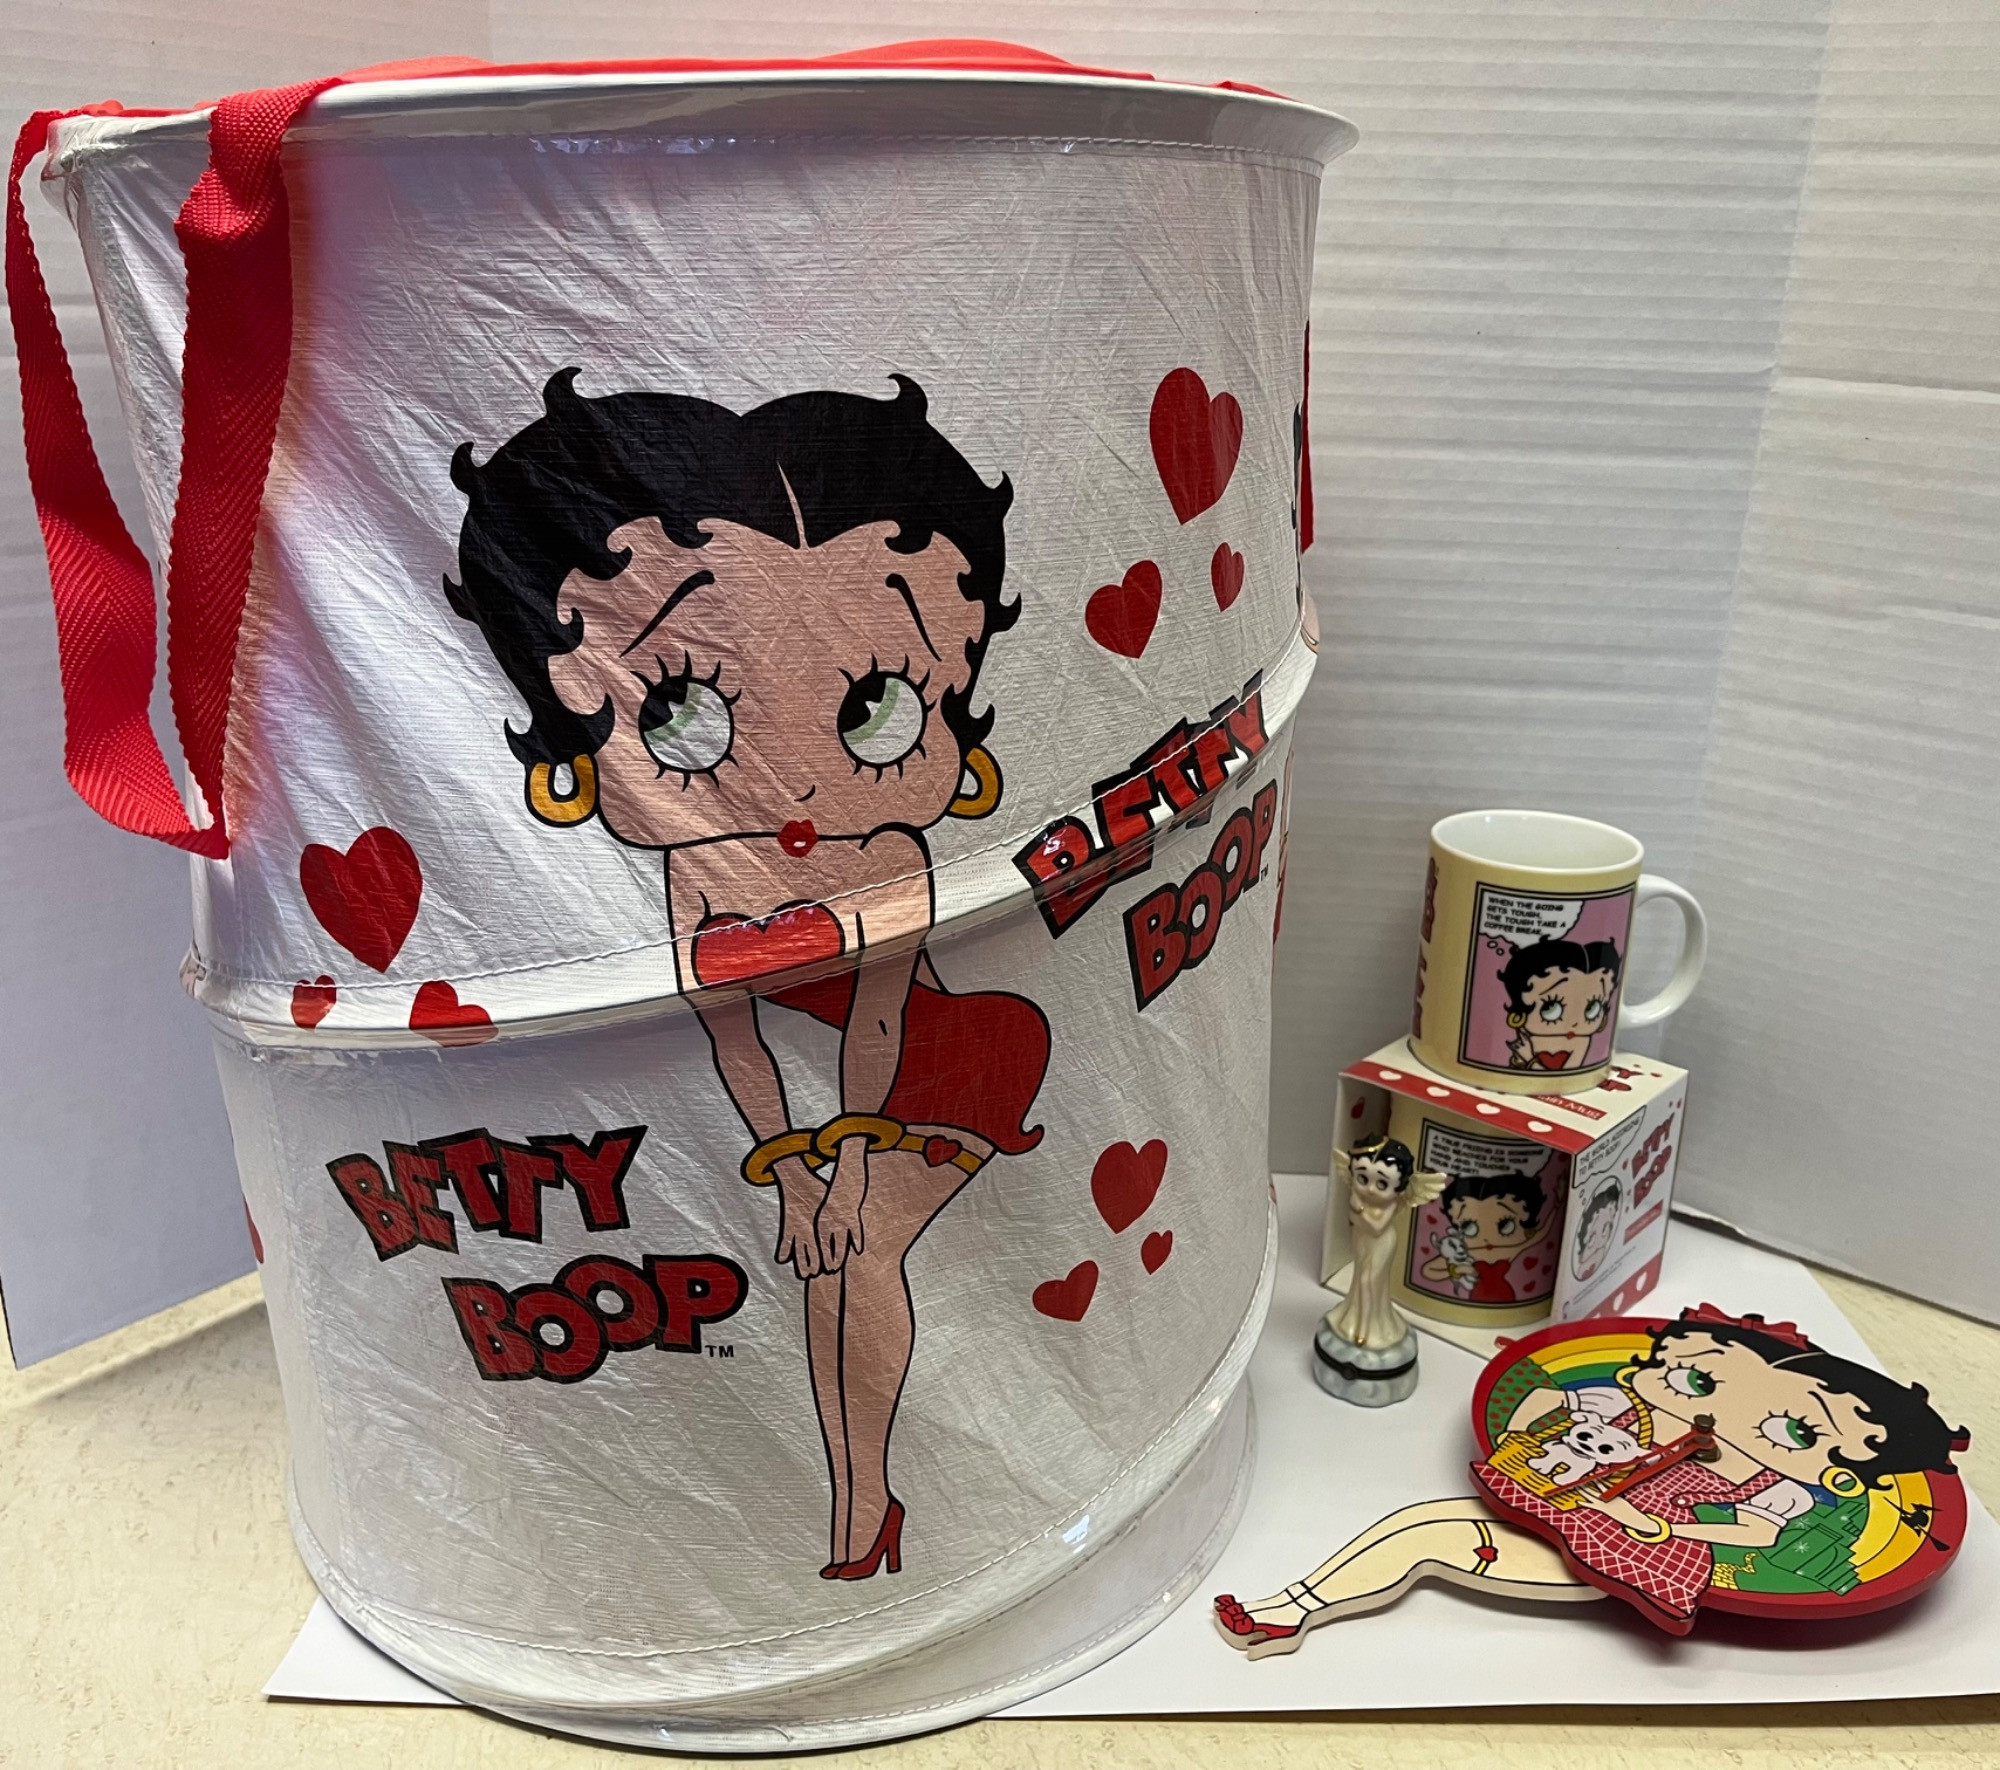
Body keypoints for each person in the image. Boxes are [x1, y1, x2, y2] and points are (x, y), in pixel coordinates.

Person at [446, 370, 1050, 1581]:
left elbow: (879, 1027)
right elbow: (734, 1035)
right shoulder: (698, 869)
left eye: (878, 708)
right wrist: (788, 1175)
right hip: (820, 1094)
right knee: (832, 1261)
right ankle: (861, 1511)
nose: (802, 776)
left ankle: (863, 1512)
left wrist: (846, 1173)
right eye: (683, 712)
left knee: (859, 1253)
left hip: (952, 1054)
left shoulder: (891, 853)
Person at [1215, 1306, 1967, 1649]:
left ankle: (1289, 1612)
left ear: (1835, 1467)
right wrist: (1541, 1429)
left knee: (1428, 1534)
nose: (1725, 1419)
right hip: (1564, 1504)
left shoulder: (1774, 1488)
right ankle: (1287, 1611)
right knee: (1423, 1531)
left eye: (1797, 1432)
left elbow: (1756, 1530)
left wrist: (1663, 1524)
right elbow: (1544, 1403)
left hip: (1634, 1555)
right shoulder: (1623, 1408)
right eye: (1700, 1384)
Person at [1418, 1167, 1554, 1305]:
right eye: (1468, 1226)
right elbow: (1428, 1270)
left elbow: (1541, 1234)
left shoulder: (1511, 1249)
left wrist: (1556, 1206)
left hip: (1506, 1297)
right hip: (1475, 1300)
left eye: (1506, 1225)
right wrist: (1457, 1270)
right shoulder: (1466, 1252)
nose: (1486, 1238)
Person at [1500, 937, 1621, 1072]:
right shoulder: (1527, 1038)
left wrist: (1529, 1057)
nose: (1574, 1022)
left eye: (1592, 1008)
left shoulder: (1580, 1042)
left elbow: (1568, 1075)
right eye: (1550, 1009)